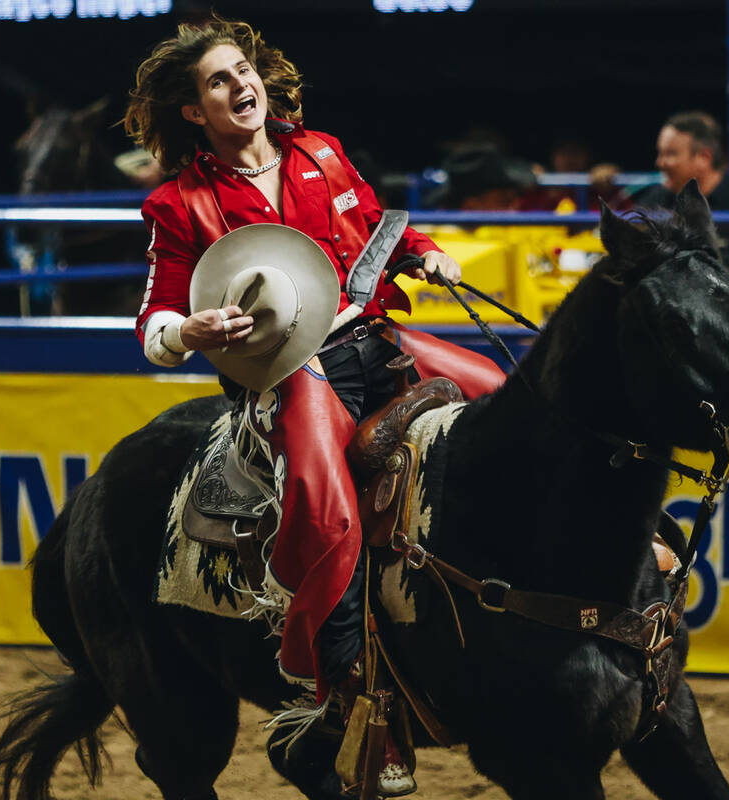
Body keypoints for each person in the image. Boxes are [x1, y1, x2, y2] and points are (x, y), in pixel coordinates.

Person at [123, 16, 504, 794]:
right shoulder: (178, 204)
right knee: (324, 506)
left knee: (507, 399)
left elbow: (374, 234)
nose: (242, 86)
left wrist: (422, 251)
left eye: (244, 71)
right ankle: (350, 701)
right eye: (219, 81)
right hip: (293, 374)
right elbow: (156, 317)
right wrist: (186, 330)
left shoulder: (321, 152)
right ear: (194, 111)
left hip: (375, 335)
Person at [630, 110, 729, 261]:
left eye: (670, 154)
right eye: (660, 153)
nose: (659, 163)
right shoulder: (654, 200)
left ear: (704, 158)